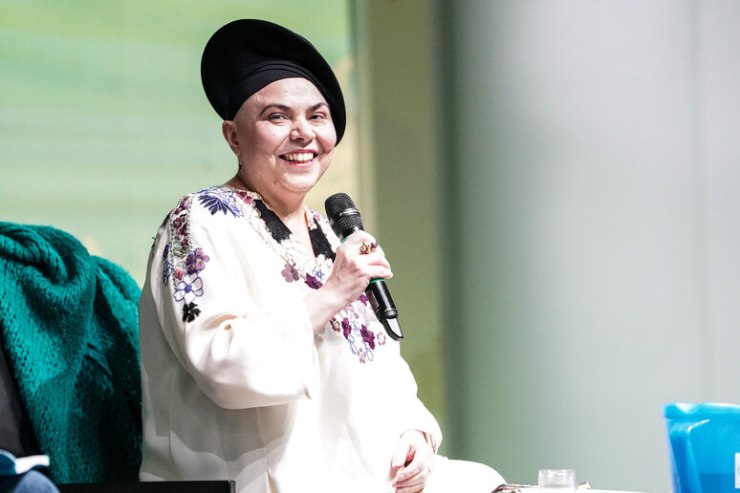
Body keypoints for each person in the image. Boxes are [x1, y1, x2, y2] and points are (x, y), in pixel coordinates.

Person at [138, 19, 505, 493]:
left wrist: (413, 432)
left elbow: (382, 365)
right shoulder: (201, 220)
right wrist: (331, 293)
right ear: (233, 136)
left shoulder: (329, 234)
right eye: (277, 117)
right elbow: (222, 365)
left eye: (317, 116)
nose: (302, 134)